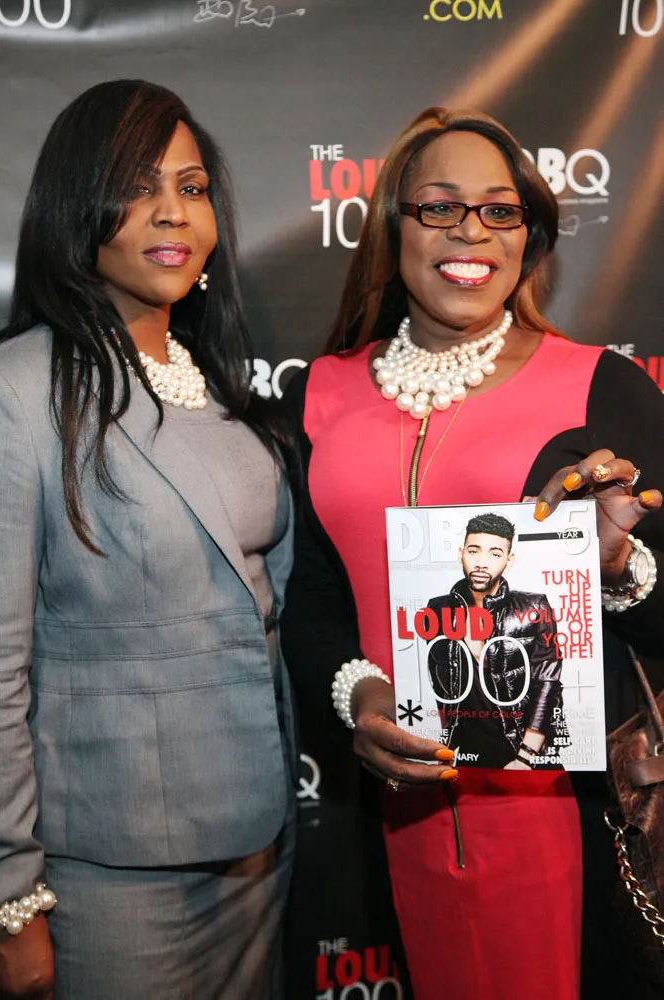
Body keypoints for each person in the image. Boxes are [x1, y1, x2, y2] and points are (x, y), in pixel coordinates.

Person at [280, 106, 664, 1000]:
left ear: (528, 237)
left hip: (577, 828)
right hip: (398, 822)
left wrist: (617, 569)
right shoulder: (320, 395)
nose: (470, 232)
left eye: (499, 210)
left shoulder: (600, 387)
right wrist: (358, 695)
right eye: (439, 206)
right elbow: (310, 598)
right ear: (394, 226)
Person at [0, 80, 296, 1000]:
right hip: (109, 876)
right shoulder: (19, 392)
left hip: (257, 851)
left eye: (192, 186)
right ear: (75, 207)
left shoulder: (215, 386)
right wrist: (11, 894)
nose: (173, 211)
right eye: (136, 185)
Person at [427, 511, 565, 770]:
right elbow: (441, 682)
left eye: (495, 554)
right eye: (474, 551)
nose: (481, 563)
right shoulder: (437, 609)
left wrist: (525, 756)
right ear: (461, 553)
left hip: (523, 750)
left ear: (509, 560)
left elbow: (547, 682)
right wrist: (447, 746)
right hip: (467, 753)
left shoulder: (534, 607)